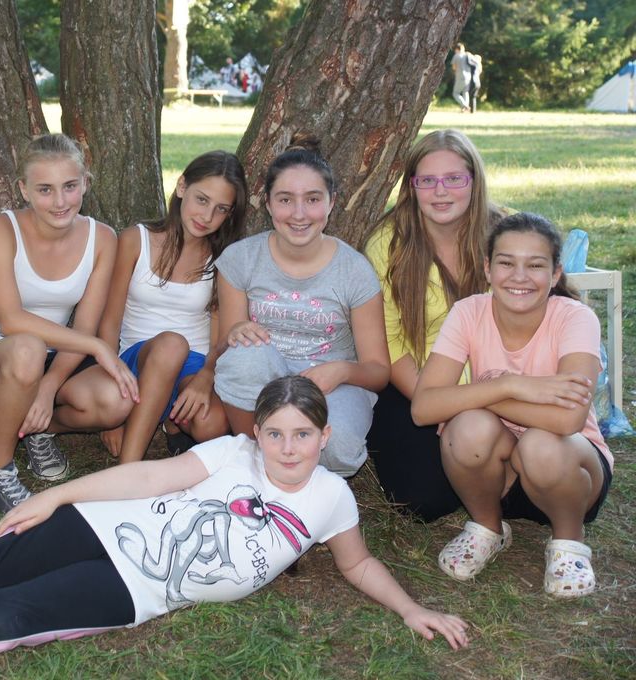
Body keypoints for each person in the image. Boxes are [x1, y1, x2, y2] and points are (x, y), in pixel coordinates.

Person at [0, 375, 468, 679]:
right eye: (276, 434)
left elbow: (358, 565)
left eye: (303, 436)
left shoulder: (332, 499)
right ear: (257, 432)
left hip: (132, 591)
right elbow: (149, 478)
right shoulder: (232, 452)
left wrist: (412, 608)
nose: (289, 449)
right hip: (96, 527)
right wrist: (56, 498)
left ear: (324, 437)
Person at [412, 213, 612, 598]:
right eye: (506, 263)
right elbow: (423, 407)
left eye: (535, 265)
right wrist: (511, 385)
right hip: (500, 475)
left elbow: (569, 419)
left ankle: (569, 541)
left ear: (555, 273)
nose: (519, 277)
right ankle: (488, 528)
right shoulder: (468, 312)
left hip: (570, 474)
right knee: (467, 428)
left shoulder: (576, 318)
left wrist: (489, 396)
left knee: (539, 443)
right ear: (488, 268)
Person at [0, 133, 139, 511]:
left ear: (85, 183)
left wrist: (48, 386)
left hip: (53, 360)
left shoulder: (102, 238)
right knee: (28, 348)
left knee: (117, 400)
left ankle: (40, 429)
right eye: (45, 189)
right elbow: (10, 321)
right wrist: (96, 347)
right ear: (23, 189)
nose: (60, 201)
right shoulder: (0, 228)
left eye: (70, 186)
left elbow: (83, 326)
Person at [213, 137, 389, 477]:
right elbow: (225, 349)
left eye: (312, 199)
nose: (298, 214)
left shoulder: (354, 270)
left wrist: (341, 370)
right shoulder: (241, 259)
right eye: (285, 199)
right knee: (244, 358)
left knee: (338, 445)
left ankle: (310, 486)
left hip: (334, 384)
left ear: (331, 202)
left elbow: (379, 371)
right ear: (267, 203)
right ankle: (253, 463)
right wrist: (236, 331)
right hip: (265, 377)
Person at [360, 129, 502, 521]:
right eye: (427, 180)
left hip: (495, 378)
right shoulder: (387, 244)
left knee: (529, 477)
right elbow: (388, 341)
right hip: (415, 380)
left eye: (454, 178)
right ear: (412, 186)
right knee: (423, 499)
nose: (441, 192)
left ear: (474, 181)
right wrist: (440, 405)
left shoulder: (502, 234)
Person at [97, 151, 247, 463]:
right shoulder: (135, 240)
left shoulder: (224, 259)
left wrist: (206, 377)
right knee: (171, 345)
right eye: (202, 199)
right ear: (181, 187)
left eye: (221, 209)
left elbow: (219, 337)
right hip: (138, 359)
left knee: (211, 424)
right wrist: (113, 417)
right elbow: (110, 323)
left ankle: (168, 417)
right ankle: (128, 470)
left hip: (193, 365)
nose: (207, 216)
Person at [451, 43, 471, 112]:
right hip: (468, 76)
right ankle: (465, 109)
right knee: (465, 92)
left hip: (460, 76)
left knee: (455, 93)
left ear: (457, 49)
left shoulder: (456, 56)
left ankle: (465, 106)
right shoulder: (467, 55)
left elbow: (454, 67)